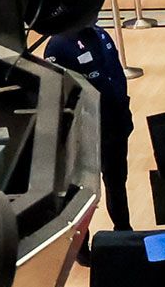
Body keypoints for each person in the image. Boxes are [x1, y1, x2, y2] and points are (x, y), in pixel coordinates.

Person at [42, 17, 134, 231]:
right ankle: (81, 246)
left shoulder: (101, 34)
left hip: (116, 124)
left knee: (117, 182)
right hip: (87, 131)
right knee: (82, 191)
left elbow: (115, 74)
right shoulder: (58, 45)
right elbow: (57, 93)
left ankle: (123, 230)